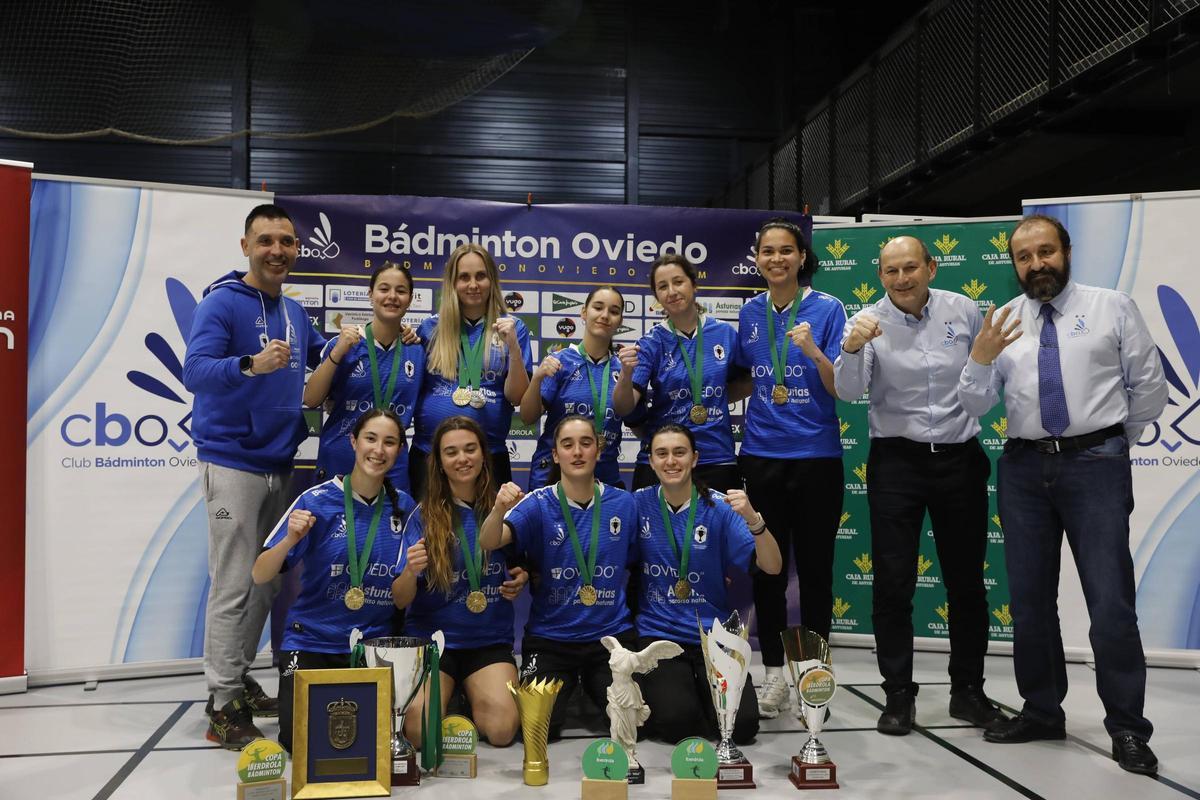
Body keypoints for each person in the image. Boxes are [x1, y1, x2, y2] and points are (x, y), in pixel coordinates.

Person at [958, 214, 1167, 775]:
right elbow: (976, 406)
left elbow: (1149, 387)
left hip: (1095, 466)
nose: (1035, 265)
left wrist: (1107, 441)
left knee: (1111, 604)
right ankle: (1043, 711)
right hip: (1024, 470)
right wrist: (979, 359)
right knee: (1029, 604)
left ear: (1066, 251)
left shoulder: (1111, 307)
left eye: (1045, 252)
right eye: (1024, 257)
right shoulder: (1002, 321)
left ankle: (1127, 728)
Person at [834, 235, 1007, 735]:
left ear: (931, 267)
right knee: (893, 583)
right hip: (897, 462)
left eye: (911, 268)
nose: (902, 279)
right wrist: (850, 348)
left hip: (960, 459)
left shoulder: (964, 310)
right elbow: (848, 392)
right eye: (891, 272)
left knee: (967, 584)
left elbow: (984, 386)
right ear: (880, 276)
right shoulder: (864, 321)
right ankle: (897, 695)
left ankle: (968, 692)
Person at [182, 203, 326, 749]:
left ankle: (239, 676)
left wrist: (377, 336)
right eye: (266, 240)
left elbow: (323, 359)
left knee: (264, 582)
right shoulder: (222, 302)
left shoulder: (293, 310)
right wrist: (250, 365)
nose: (277, 250)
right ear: (246, 245)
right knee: (234, 583)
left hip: (278, 463)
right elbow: (195, 372)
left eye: (286, 242)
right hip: (232, 462)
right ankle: (221, 702)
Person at [251, 408, 416, 753]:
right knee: (301, 742)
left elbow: (402, 599)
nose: (379, 450)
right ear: (354, 442)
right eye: (371, 439)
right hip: (312, 642)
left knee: (377, 743)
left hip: (372, 649)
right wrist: (289, 540)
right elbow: (260, 573)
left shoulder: (405, 507)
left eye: (390, 442)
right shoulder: (316, 501)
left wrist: (414, 569)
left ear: (399, 450)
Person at [733, 218, 845, 719]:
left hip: (817, 457)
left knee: (817, 571)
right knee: (768, 570)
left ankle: (812, 679)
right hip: (761, 455)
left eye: (786, 251)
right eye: (767, 252)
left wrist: (812, 350)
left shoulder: (828, 309)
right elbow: (742, 379)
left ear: (802, 258)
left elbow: (842, 384)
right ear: (757, 259)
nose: (776, 259)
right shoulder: (750, 312)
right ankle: (775, 675)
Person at [479, 415, 638, 740]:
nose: (577, 452)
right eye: (567, 445)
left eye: (585, 443)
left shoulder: (624, 503)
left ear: (599, 450)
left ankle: (591, 685)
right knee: (538, 728)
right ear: (555, 455)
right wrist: (497, 510)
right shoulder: (538, 503)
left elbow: (642, 558)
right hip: (552, 639)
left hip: (610, 639)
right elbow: (489, 541)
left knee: (631, 722)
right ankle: (575, 686)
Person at [633, 424, 782, 745]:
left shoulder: (720, 508)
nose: (671, 461)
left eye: (679, 452)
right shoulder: (637, 505)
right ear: (651, 461)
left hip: (712, 636)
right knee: (677, 724)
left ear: (695, 458)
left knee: (743, 728)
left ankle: (702, 692)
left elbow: (772, 566)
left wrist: (754, 520)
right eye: (662, 454)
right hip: (659, 636)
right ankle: (690, 695)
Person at [391, 416, 527, 747]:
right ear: (438, 462)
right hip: (434, 642)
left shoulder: (506, 507)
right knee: (420, 733)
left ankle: (466, 695)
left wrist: (520, 576)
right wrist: (410, 571)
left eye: (470, 449)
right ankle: (449, 696)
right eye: (451, 452)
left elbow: (522, 565)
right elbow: (399, 599)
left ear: (484, 454)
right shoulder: (422, 515)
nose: (462, 459)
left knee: (502, 731)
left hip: (488, 641)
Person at [410, 244, 532, 498]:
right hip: (430, 454)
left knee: (488, 535)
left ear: (492, 280)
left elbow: (518, 397)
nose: (473, 284)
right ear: (452, 283)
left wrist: (513, 347)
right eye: (464, 277)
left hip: (489, 456)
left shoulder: (513, 328)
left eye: (481, 276)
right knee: (428, 533)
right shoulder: (429, 328)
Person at [613, 253, 742, 491]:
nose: (671, 291)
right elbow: (624, 407)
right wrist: (625, 374)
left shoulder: (725, 334)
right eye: (663, 286)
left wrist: (717, 396)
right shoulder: (651, 342)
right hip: (664, 460)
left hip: (716, 458)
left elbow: (746, 382)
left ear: (694, 284)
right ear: (657, 297)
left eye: (678, 282)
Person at [304, 262, 424, 493]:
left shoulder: (418, 351)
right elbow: (311, 399)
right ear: (370, 295)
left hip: (391, 464)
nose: (392, 296)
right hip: (342, 458)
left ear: (410, 299)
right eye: (384, 289)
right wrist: (338, 352)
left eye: (400, 291)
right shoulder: (345, 344)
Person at [521, 285, 626, 489]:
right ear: (584, 313)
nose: (605, 315)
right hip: (552, 477)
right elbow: (527, 416)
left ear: (620, 321)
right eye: (598, 308)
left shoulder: (624, 371)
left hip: (604, 479)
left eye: (614, 311)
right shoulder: (560, 362)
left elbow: (638, 422)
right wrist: (536, 379)